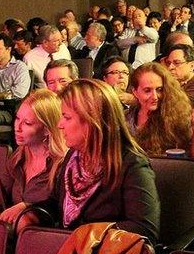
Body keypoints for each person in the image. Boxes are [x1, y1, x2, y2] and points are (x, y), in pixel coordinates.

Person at [29, 79, 159, 240]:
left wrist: (90, 234)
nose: (60, 124)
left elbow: (144, 229)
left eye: (67, 117)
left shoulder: (133, 165)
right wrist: (31, 212)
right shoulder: (73, 156)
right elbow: (57, 205)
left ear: (92, 121)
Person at [0, 90, 66, 230]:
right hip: (11, 235)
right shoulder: (17, 158)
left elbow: (61, 215)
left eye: (27, 123)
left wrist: (29, 207)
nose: (17, 128)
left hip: (40, 240)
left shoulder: (62, 165)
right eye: (17, 118)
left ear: (47, 130)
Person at [126, 62, 193, 157]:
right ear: (135, 92)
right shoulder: (125, 119)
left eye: (159, 89)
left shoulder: (177, 119)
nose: (155, 97)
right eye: (147, 91)